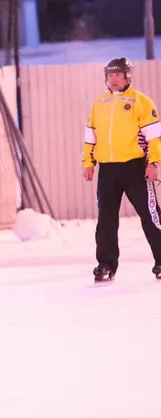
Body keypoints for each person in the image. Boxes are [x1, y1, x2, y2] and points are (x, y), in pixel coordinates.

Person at [82, 57, 161, 282]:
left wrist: (153, 163)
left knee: (150, 214)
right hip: (107, 169)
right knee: (106, 218)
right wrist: (88, 163)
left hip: (135, 167)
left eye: (118, 75)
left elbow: (154, 138)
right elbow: (90, 137)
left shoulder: (141, 101)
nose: (114, 79)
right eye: (110, 75)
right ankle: (106, 263)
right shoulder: (100, 104)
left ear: (128, 76)